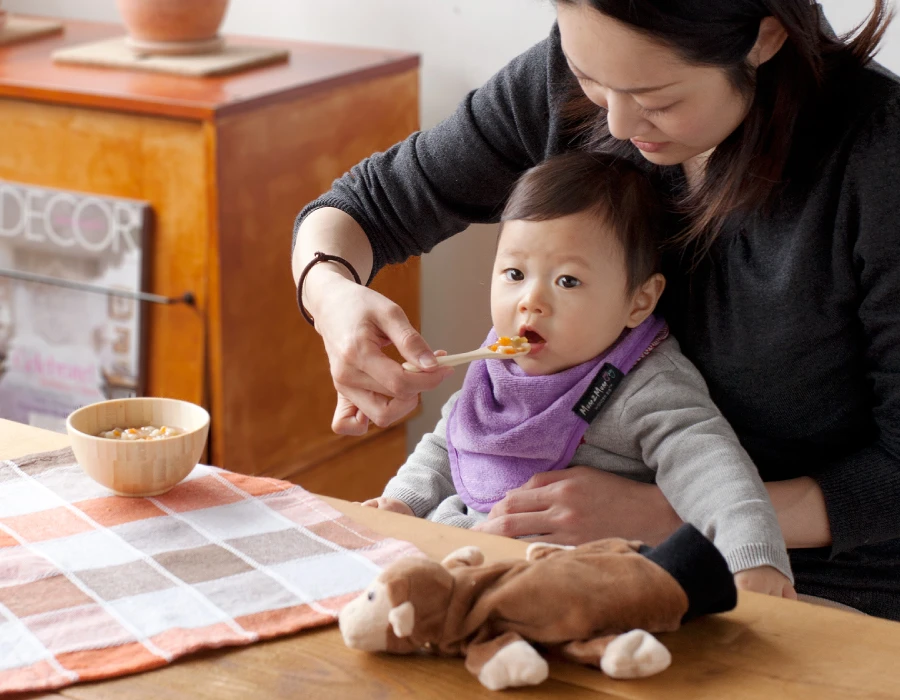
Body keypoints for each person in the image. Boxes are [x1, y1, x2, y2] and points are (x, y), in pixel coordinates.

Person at [291, 1, 900, 619]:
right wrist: (332, 294)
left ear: (761, 40)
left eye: (656, 99)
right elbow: (363, 207)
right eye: (589, 77)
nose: (615, 119)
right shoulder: (567, 82)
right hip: (543, 560)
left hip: (817, 585)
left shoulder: (879, 158)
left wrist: (670, 512)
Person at [361, 151, 795, 597]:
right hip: (469, 547)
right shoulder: (496, 361)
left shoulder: (645, 383)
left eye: (567, 281)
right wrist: (403, 502)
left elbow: (714, 471)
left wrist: (753, 557)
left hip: (586, 575)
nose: (531, 300)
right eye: (514, 273)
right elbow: (451, 443)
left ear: (639, 302)